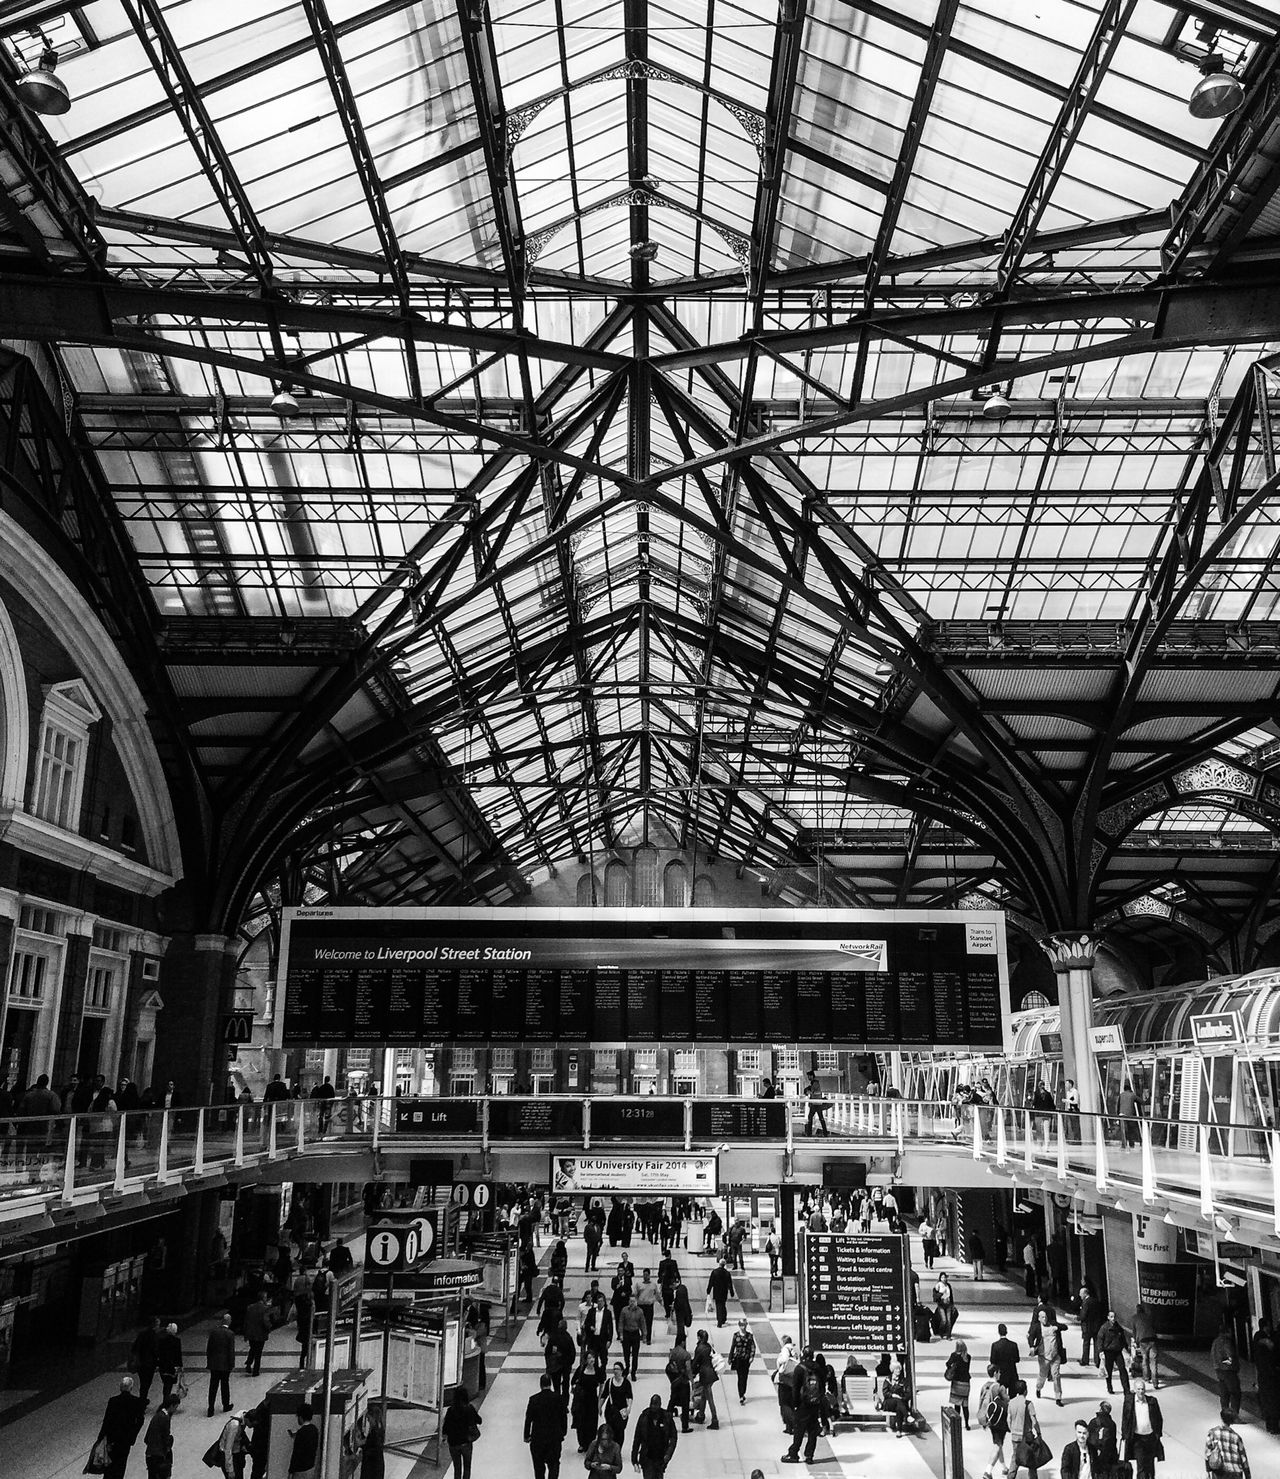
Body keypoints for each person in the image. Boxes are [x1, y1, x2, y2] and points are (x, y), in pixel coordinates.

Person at [96, 1376, 148, 1479]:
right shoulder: (136, 1402)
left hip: (112, 1439)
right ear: (131, 1388)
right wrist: (132, 1436)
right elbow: (140, 1421)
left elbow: (107, 1420)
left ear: (120, 1387)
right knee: (121, 1465)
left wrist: (101, 1437)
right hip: (125, 1440)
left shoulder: (113, 1401)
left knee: (109, 1464)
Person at [524, 1373, 567, 1479]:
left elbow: (528, 1419)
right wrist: (563, 1432)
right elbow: (563, 1418)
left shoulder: (533, 1400)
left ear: (540, 1385)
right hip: (554, 1439)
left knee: (538, 1468)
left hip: (538, 1439)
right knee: (554, 1465)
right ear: (550, 1384)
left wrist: (526, 1435)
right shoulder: (559, 1398)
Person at [782, 1359, 827, 1461]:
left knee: (799, 1430)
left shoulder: (800, 1368)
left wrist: (795, 1404)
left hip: (803, 1405)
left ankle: (793, 1454)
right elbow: (823, 1386)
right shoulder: (818, 1368)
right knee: (812, 1431)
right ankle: (809, 1455)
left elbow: (795, 1388)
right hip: (815, 1404)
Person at [1120, 1378, 1164, 1479]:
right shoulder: (1129, 1402)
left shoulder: (1152, 1402)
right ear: (1135, 1390)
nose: (1141, 1391)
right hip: (1137, 1439)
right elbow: (1125, 1418)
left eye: (1143, 1389)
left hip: (1150, 1438)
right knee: (1141, 1466)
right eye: (1139, 1389)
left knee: (1150, 1466)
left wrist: (1158, 1434)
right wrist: (1125, 1434)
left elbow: (1159, 1418)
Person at [630, 1393, 677, 1479]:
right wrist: (634, 1459)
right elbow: (637, 1438)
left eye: (656, 1404)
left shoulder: (667, 1418)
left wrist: (668, 1454)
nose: (654, 1407)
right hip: (647, 1456)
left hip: (661, 1457)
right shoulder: (644, 1417)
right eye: (652, 1404)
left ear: (660, 1405)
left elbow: (673, 1438)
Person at [441, 1385, 481, 1479]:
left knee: (457, 1468)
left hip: (453, 1444)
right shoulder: (469, 1408)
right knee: (467, 1467)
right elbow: (479, 1420)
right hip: (466, 1442)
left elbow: (445, 1428)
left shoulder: (450, 1410)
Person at [976, 1364, 1009, 1479]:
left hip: (988, 1418)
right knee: (997, 1445)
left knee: (998, 1443)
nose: (1000, 1374)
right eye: (999, 1372)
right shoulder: (999, 1387)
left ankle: (1004, 1467)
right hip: (999, 1420)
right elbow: (1007, 1401)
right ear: (995, 1373)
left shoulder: (984, 1386)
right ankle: (988, 1471)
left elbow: (980, 1402)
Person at [1007, 1380, 1044, 1479]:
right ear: (1025, 1391)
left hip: (1015, 1436)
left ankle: (1010, 1476)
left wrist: (1012, 1429)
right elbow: (1034, 1421)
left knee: (1015, 1458)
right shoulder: (1028, 1404)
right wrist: (1038, 1432)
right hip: (1026, 1437)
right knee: (1031, 1460)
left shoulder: (1011, 1402)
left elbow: (1008, 1419)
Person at [572, 1352, 605, 1451]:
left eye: (593, 1357)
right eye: (589, 1358)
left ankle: (590, 1442)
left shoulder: (598, 1371)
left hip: (592, 1399)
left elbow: (602, 1384)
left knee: (592, 1422)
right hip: (581, 1400)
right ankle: (582, 1443)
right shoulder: (581, 1369)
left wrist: (600, 1401)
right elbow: (573, 1381)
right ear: (586, 1360)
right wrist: (574, 1388)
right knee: (581, 1422)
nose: (592, 1359)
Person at [1205, 1408, 1250, 1479]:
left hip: (1219, 1471)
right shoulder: (1236, 1437)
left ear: (1221, 1418)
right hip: (1235, 1473)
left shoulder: (1212, 1433)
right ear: (1232, 1422)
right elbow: (1243, 1458)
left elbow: (1208, 1453)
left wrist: (1208, 1471)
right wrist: (1248, 1476)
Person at [206, 1311, 236, 1416]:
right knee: (225, 1385)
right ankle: (226, 1405)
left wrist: (209, 1361)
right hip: (225, 1364)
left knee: (213, 1386)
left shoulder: (214, 1332)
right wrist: (232, 1364)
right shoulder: (230, 1334)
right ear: (229, 1322)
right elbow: (230, 1351)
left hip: (214, 1364)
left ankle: (210, 1408)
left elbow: (209, 1348)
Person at [143, 1393, 180, 1479]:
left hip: (150, 1455)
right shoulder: (165, 1418)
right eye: (175, 1407)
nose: (175, 1410)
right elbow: (165, 1439)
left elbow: (146, 1439)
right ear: (171, 1406)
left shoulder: (157, 1415)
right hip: (159, 1457)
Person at [1034, 1311, 1065, 1407]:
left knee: (1056, 1376)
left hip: (1055, 1356)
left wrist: (1057, 1327)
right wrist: (1032, 1346)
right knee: (1042, 1375)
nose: (1045, 1319)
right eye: (1042, 1317)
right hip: (1043, 1357)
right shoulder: (1037, 1327)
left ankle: (1058, 1397)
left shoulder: (1053, 1324)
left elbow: (1065, 1327)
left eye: (1046, 1317)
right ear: (1039, 1318)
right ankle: (1038, 1387)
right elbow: (1031, 1336)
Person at [690, 1329, 720, 1429]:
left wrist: (692, 1372)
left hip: (705, 1374)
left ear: (699, 1337)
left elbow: (695, 1362)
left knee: (710, 1398)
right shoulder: (708, 1346)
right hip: (711, 1373)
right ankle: (701, 1415)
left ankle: (715, 1419)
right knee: (704, 1395)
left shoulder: (700, 1348)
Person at [1254, 1319, 1280, 1433]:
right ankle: (1273, 1426)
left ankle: (1270, 1425)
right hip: (1270, 1376)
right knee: (1273, 1401)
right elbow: (1270, 1345)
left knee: (1268, 1401)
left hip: (1264, 1375)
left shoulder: (1259, 1338)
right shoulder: (1263, 1338)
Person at [1211, 1323, 1241, 1418]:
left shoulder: (1215, 1342)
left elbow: (1213, 1356)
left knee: (1224, 1394)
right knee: (1235, 1393)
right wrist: (1230, 1364)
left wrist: (1218, 1365)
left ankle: (1225, 1414)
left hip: (1219, 1371)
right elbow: (1230, 1357)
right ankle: (1234, 1415)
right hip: (1228, 1371)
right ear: (1227, 1331)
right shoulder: (1226, 1342)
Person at [1099, 1309, 1131, 1396]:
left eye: (1114, 1317)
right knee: (1108, 1371)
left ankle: (1126, 1389)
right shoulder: (1104, 1328)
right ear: (1108, 1317)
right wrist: (1101, 1351)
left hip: (1117, 1351)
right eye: (1111, 1317)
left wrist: (1126, 1348)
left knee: (1122, 1370)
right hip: (1108, 1351)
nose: (1113, 1319)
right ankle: (1109, 1387)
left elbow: (1123, 1338)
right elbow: (1100, 1339)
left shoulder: (1118, 1327)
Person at [664, 1337, 692, 1434]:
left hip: (674, 1381)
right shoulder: (686, 1355)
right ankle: (685, 1426)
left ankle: (666, 1422)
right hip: (683, 1381)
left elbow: (670, 1365)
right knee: (685, 1404)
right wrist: (691, 1380)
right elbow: (688, 1368)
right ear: (683, 1342)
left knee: (672, 1401)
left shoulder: (672, 1352)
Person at [601, 1360, 633, 1444]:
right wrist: (599, 1406)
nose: (615, 1371)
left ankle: (618, 1449)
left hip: (621, 1410)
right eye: (614, 1369)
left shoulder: (626, 1383)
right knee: (610, 1430)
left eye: (618, 1369)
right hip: (610, 1410)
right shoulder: (609, 1382)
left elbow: (630, 1396)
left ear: (622, 1371)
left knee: (620, 1431)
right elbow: (604, 1395)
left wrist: (629, 1408)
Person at [243, 1292, 274, 1378]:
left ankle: (249, 1363)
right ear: (263, 1298)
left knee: (252, 1348)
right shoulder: (265, 1308)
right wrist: (269, 1328)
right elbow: (265, 1320)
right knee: (258, 1352)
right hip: (260, 1333)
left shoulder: (250, 1307)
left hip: (251, 1333)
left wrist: (245, 1332)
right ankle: (256, 1370)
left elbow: (246, 1321)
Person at [773, 1334, 799, 1435]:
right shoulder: (794, 1349)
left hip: (785, 1379)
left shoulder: (785, 1349)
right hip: (793, 1379)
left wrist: (778, 1362)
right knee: (791, 1403)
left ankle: (791, 1424)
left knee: (784, 1403)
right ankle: (789, 1427)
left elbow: (784, 1359)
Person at [130, 1316, 160, 1403]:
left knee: (143, 1382)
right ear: (155, 1324)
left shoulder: (141, 1334)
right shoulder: (153, 1336)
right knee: (147, 1383)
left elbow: (135, 1347)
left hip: (140, 1362)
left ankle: (142, 1398)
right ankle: (143, 1399)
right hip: (150, 1363)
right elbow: (155, 1350)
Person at [1088, 1399, 1119, 1479]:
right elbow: (1113, 1442)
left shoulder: (1094, 1422)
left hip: (1095, 1455)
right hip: (1109, 1456)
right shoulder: (1112, 1424)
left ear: (1100, 1409)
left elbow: (1088, 1438)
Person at [288, 1403, 320, 1479]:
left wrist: (290, 1471)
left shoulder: (301, 1433)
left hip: (300, 1471)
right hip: (311, 1468)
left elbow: (296, 1454)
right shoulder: (314, 1429)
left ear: (301, 1417)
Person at [945, 1339, 972, 1428]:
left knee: (957, 1405)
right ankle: (967, 1424)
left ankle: (957, 1424)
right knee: (965, 1405)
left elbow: (948, 1364)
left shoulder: (954, 1356)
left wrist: (952, 1368)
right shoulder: (968, 1357)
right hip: (965, 1383)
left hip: (957, 1382)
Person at [1131, 1301, 1159, 1388]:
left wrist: (1135, 1341)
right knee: (1153, 1361)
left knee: (1145, 1359)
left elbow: (1134, 1331)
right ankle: (1155, 1382)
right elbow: (1154, 1327)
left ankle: (1146, 1377)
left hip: (1143, 1341)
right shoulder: (1149, 1317)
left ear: (1137, 1310)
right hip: (1152, 1340)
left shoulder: (1134, 1318)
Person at [729, 1316, 756, 1404]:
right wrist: (730, 1357)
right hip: (738, 1359)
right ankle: (741, 1395)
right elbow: (733, 1347)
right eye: (741, 1325)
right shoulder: (736, 1335)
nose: (743, 1327)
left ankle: (743, 1392)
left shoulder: (749, 1336)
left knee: (745, 1377)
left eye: (744, 1325)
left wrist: (752, 1356)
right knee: (740, 1377)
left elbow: (753, 1346)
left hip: (746, 1359)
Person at [216, 1410, 250, 1479]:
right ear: (247, 1419)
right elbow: (228, 1449)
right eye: (250, 1424)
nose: (250, 1426)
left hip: (236, 1452)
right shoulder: (234, 1426)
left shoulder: (243, 1415)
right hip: (230, 1456)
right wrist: (230, 1470)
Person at [156, 1321, 183, 1403]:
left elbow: (159, 1353)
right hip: (173, 1366)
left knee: (166, 1384)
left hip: (163, 1365)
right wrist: (180, 1366)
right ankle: (166, 1401)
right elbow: (178, 1354)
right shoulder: (177, 1341)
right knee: (169, 1384)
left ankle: (165, 1399)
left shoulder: (161, 1340)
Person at [991, 1322, 1020, 1397]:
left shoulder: (995, 1345)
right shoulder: (1013, 1345)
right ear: (1006, 1332)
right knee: (1013, 1396)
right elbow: (1017, 1359)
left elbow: (993, 1360)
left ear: (998, 1332)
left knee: (1001, 1395)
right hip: (1012, 1373)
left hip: (1001, 1373)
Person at [619, 1295, 644, 1379]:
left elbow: (643, 1324)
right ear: (628, 1302)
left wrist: (644, 1335)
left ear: (636, 1302)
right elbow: (621, 1323)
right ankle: (627, 1367)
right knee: (626, 1353)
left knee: (635, 1354)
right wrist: (621, 1334)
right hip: (626, 1333)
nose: (632, 1303)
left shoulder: (640, 1311)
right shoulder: (624, 1310)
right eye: (630, 1301)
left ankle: (633, 1371)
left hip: (635, 1334)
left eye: (634, 1301)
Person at [1079, 1285, 1103, 1367]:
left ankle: (1085, 1360)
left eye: (1081, 1294)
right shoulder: (1095, 1301)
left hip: (1087, 1327)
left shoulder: (1086, 1302)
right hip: (1096, 1326)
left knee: (1086, 1344)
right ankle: (1097, 1361)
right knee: (1097, 1344)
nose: (1080, 1295)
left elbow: (1083, 1315)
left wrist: (1079, 1318)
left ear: (1085, 1294)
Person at [707, 1256, 734, 1328]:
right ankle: (723, 1318)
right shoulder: (727, 1273)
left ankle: (719, 1321)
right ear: (724, 1265)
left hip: (717, 1292)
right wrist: (731, 1292)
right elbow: (730, 1284)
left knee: (718, 1306)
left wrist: (708, 1290)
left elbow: (711, 1282)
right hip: (724, 1292)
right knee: (723, 1305)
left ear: (719, 1264)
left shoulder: (714, 1272)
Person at [358, 1407, 385, 1479]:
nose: (369, 1421)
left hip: (372, 1467)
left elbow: (372, 1447)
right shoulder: (378, 1429)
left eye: (369, 1419)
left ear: (373, 1417)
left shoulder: (375, 1432)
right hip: (375, 1467)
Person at [803, 1067, 830, 1136]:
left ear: (812, 1076)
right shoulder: (814, 1083)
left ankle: (809, 1133)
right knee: (820, 1118)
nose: (808, 1077)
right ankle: (825, 1133)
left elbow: (813, 1092)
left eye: (809, 1076)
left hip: (816, 1103)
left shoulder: (815, 1083)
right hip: (817, 1103)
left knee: (811, 1117)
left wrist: (809, 1092)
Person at [636, 1268, 658, 1343]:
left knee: (649, 1322)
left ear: (649, 1275)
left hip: (649, 1306)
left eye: (647, 1275)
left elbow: (657, 1294)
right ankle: (643, 1334)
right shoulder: (639, 1284)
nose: (645, 1276)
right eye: (644, 1275)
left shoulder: (653, 1285)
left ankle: (648, 1338)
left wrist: (661, 1302)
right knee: (640, 1322)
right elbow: (635, 1294)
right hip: (641, 1305)